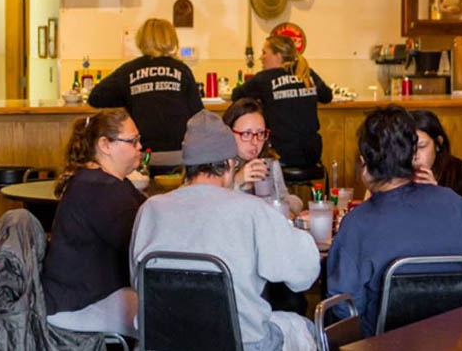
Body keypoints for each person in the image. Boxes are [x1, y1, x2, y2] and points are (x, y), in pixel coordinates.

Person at [130, 110, 320, 351]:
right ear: (230, 164)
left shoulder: (149, 210)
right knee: (302, 326)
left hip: (161, 343)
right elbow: (304, 274)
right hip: (238, 344)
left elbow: (138, 280)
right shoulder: (250, 210)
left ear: (187, 165)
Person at [327, 106, 462, 337]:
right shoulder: (455, 203)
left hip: (385, 343)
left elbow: (343, 305)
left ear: (365, 164)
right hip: (458, 339)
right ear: (412, 156)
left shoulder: (357, 224)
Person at [41, 109, 147, 337]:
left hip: (84, 293)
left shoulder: (104, 182)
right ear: (105, 145)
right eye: (132, 141)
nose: (140, 147)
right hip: (78, 303)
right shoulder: (101, 190)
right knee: (169, 316)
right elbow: (140, 246)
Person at [88, 18, 203, 159]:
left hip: (143, 155)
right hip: (180, 153)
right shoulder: (182, 70)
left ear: (141, 40)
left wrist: (129, 98)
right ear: (172, 39)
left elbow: (95, 98)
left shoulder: (130, 70)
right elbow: (198, 113)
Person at [231, 35, 332, 167]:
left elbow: (236, 95)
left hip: (281, 155)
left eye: (264, 53)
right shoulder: (307, 74)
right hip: (312, 154)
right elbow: (327, 96)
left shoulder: (265, 78)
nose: (261, 58)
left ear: (278, 56)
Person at [222, 98, 303, 214]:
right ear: (228, 133)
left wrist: (288, 206)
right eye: (246, 134)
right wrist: (237, 181)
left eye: (260, 133)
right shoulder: (218, 165)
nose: (255, 142)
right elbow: (214, 212)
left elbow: (286, 199)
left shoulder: (269, 162)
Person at [410, 110, 462, 202]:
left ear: (438, 143)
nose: (414, 155)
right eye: (407, 147)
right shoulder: (396, 172)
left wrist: (438, 195)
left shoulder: (460, 177)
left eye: (422, 146)